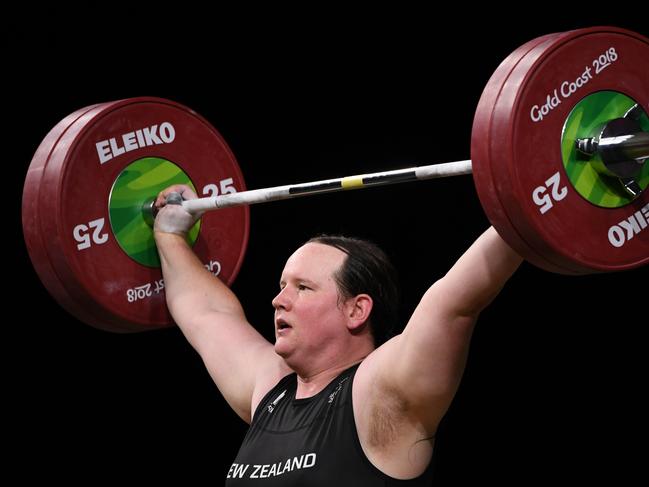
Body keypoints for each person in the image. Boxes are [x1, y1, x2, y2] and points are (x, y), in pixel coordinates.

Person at [153, 184, 523, 486]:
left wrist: (529, 196)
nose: (278, 300)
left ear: (356, 310)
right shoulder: (269, 389)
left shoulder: (379, 393)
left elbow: (455, 301)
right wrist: (169, 233)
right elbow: (206, 313)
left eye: (303, 288)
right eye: (282, 285)